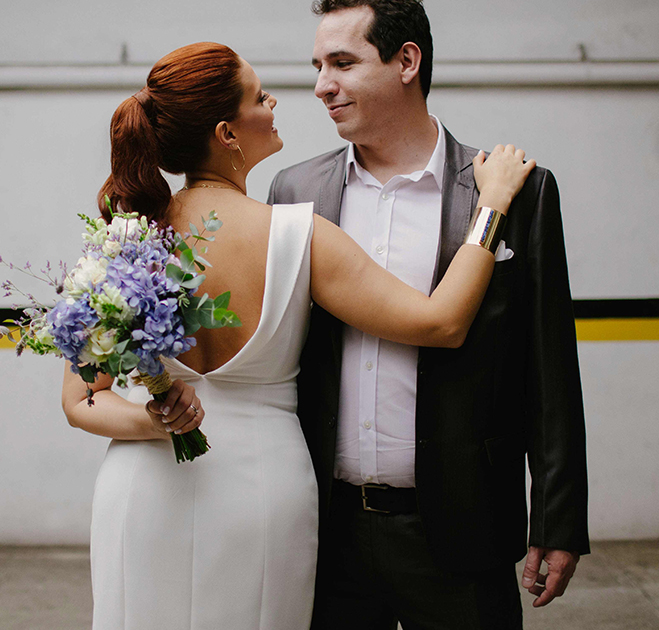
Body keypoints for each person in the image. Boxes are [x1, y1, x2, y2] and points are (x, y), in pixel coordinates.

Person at [62, 41, 535, 630]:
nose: (275, 101)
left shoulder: (125, 240)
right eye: (259, 96)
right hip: (261, 491)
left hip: (141, 490)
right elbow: (440, 322)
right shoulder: (298, 235)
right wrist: (491, 204)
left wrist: (152, 422)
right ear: (227, 134)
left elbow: (81, 400)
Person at [267, 0, 590, 629]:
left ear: (407, 62)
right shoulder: (296, 190)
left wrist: (559, 519)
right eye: (317, 67)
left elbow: (548, 369)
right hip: (329, 535)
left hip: (463, 529)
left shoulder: (513, 190)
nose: (322, 85)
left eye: (342, 62)